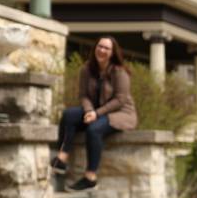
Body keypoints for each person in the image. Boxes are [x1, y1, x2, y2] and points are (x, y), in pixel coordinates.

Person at [51, 36, 137, 190]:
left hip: (120, 113)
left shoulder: (119, 71)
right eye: (100, 46)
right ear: (95, 48)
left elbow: (120, 99)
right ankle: (62, 159)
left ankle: (90, 177)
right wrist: (89, 110)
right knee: (69, 114)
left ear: (112, 52)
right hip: (95, 111)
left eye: (106, 48)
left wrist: (97, 113)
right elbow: (83, 95)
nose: (102, 50)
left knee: (94, 129)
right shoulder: (86, 69)